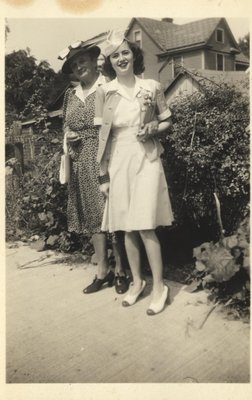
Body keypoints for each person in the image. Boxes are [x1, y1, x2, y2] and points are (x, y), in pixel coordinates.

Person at [95, 31, 174, 315]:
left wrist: (155, 127)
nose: (121, 59)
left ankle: (159, 286)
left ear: (134, 55)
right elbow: (102, 137)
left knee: (144, 223)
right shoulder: (104, 92)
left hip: (147, 156)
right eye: (115, 55)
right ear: (109, 62)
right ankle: (137, 282)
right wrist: (103, 175)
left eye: (125, 53)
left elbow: (167, 121)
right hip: (119, 159)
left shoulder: (151, 87)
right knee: (127, 225)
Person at [59, 38, 129, 294]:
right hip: (79, 162)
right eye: (74, 64)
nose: (79, 67)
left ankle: (121, 269)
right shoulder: (70, 94)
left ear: (93, 60)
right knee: (91, 217)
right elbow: (65, 125)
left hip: (106, 157)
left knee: (112, 216)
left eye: (82, 61)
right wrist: (68, 134)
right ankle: (103, 270)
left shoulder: (108, 87)